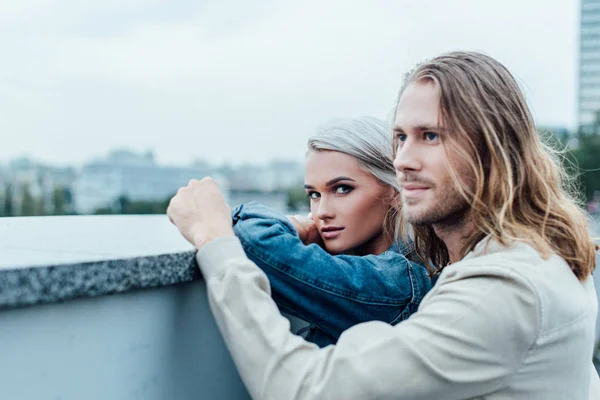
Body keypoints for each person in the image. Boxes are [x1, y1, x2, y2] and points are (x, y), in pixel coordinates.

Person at [167, 51, 600, 399]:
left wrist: (216, 241)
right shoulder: (540, 254)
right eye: (400, 137)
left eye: (431, 136)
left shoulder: (503, 289)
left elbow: (303, 388)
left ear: (493, 148)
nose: (405, 161)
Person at [231, 117, 431, 347]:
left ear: (396, 191)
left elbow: (253, 242)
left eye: (342, 189)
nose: (322, 212)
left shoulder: (396, 282)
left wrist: (293, 228)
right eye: (314, 195)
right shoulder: (381, 268)